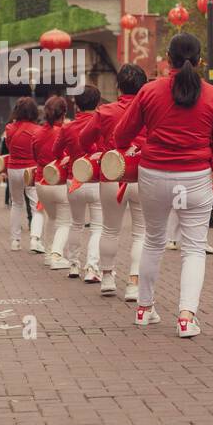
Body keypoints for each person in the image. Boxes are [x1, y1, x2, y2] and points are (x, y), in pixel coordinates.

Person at [114, 34, 213, 338]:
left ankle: (144, 308)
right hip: (194, 177)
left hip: (153, 174)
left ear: (167, 59)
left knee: (153, 241)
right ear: (201, 61)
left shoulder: (149, 91)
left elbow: (120, 137)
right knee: (193, 249)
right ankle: (186, 317)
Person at [80, 63, 148, 301]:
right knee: (142, 233)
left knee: (110, 228)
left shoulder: (105, 111)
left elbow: (83, 139)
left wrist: (98, 151)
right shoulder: (149, 109)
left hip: (111, 171)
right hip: (142, 174)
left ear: (118, 86)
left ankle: (107, 277)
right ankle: (133, 283)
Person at [54, 85, 104, 281]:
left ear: (77, 105)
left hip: (74, 180)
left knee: (76, 224)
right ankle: (92, 267)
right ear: (98, 103)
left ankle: (73, 264)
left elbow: (56, 152)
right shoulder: (103, 123)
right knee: (98, 227)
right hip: (98, 180)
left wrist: (66, 157)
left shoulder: (67, 127)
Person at [34, 97, 72, 269]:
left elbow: (35, 156)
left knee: (52, 218)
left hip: (41, 181)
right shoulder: (64, 131)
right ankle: (56, 255)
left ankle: (49, 253)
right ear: (63, 113)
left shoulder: (38, 133)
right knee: (65, 222)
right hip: (60, 182)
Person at [4, 98, 43, 252]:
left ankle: (15, 240)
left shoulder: (9, 128)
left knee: (16, 204)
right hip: (31, 168)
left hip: (13, 168)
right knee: (35, 205)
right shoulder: (37, 130)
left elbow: (8, 147)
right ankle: (35, 240)